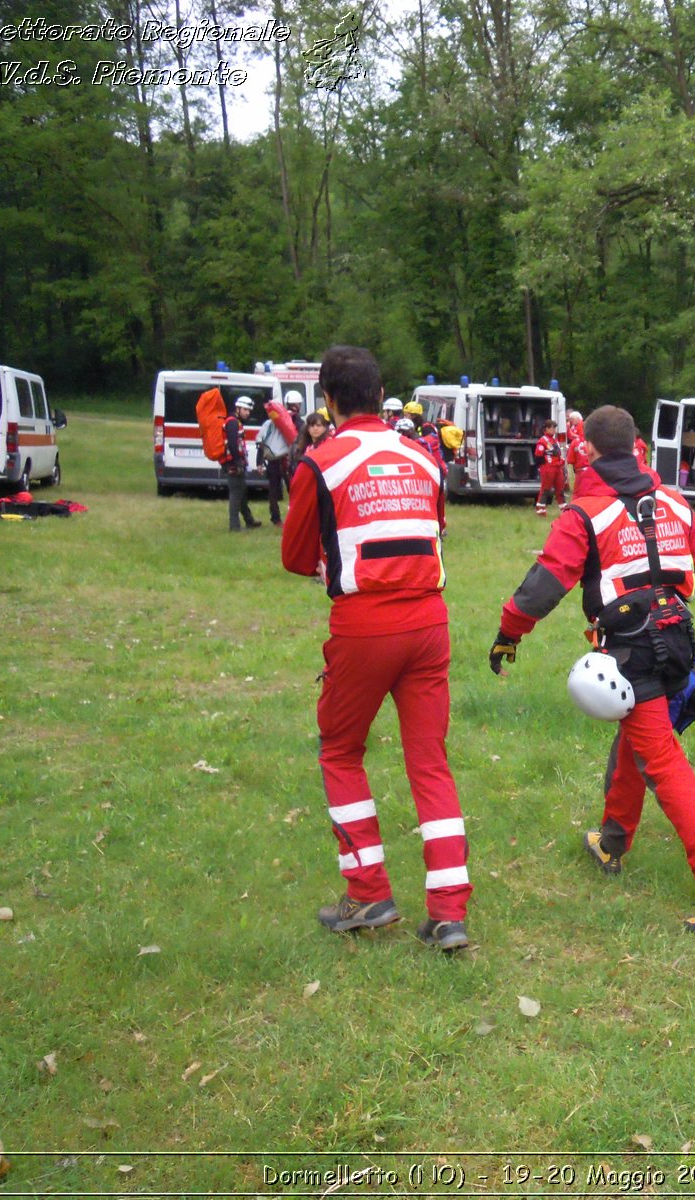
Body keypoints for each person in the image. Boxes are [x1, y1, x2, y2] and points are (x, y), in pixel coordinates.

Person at [489, 405, 695, 934]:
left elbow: (545, 583)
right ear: (637, 446)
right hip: (680, 639)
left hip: (632, 650)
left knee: (661, 758)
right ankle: (612, 842)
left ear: (586, 449)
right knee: (636, 740)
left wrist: (508, 634)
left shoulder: (585, 512)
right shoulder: (676, 502)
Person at [280, 345, 472, 953]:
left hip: (365, 624)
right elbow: (433, 528)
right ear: (382, 391)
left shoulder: (321, 460)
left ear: (328, 400)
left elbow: (292, 555)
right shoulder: (423, 454)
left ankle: (368, 893)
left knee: (340, 750)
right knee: (429, 759)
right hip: (430, 621)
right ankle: (448, 912)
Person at [222, 396, 263, 532]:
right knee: (236, 494)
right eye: (245, 410)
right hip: (233, 463)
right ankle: (234, 526)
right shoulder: (233, 423)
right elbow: (233, 445)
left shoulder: (235, 421)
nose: (247, 413)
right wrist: (238, 463)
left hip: (236, 462)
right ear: (238, 409)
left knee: (242, 492)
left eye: (249, 410)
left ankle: (249, 520)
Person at [258, 394, 299, 527]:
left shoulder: (269, 424)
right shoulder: (289, 421)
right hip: (284, 460)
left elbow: (261, 443)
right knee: (290, 490)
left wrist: (259, 462)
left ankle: (277, 518)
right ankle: (291, 516)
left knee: (275, 491)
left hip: (274, 460)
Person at [534, 419, 566, 515]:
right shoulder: (543, 441)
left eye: (555, 428)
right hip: (548, 469)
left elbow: (558, 453)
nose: (554, 430)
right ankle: (541, 508)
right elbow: (538, 456)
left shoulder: (555, 440)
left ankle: (564, 508)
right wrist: (545, 466)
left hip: (558, 468)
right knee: (546, 488)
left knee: (560, 487)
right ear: (546, 429)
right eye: (552, 428)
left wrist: (561, 461)